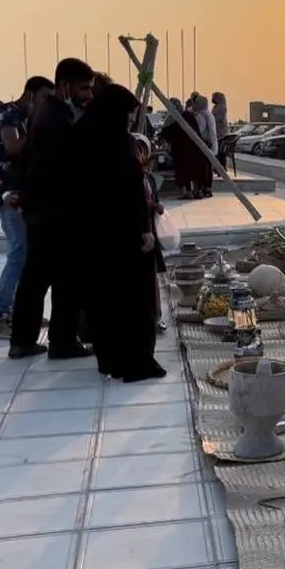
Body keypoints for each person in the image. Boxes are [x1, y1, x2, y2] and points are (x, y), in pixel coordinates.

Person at [8, 58, 95, 360]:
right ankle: (61, 341)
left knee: (38, 278)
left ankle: (24, 340)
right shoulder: (56, 120)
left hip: (44, 211)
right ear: (65, 85)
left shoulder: (48, 114)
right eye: (84, 88)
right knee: (65, 279)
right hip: (56, 212)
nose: (88, 94)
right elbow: (55, 169)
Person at [78, 84, 165, 383]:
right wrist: (145, 230)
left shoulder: (85, 134)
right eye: (127, 115)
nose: (129, 121)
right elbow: (128, 191)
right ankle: (134, 361)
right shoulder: (115, 142)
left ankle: (110, 357)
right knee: (129, 298)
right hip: (122, 232)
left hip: (95, 231)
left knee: (105, 296)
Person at [0, 75, 55, 339]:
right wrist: (39, 128)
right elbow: (13, 147)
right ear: (31, 95)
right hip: (8, 193)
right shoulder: (7, 113)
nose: (47, 103)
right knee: (17, 255)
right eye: (45, 97)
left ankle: (18, 311)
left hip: (21, 194)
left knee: (25, 256)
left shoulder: (22, 118)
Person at [132, 133, 168, 333]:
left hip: (148, 233)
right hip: (134, 231)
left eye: (141, 151)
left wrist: (155, 207)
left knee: (151, 278)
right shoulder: (128, 176)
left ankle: (155, 317)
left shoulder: (149, 179)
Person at [162, 97, 206, 199]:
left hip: (181, 151)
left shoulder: (172, 118)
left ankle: (187, 193)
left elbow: (166, 134)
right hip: (195, 148)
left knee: (183, 171)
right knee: (195, 170)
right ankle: (198, 191)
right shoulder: (188, 115)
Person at [192, 95, 218, 197]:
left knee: (203, 167)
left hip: (203, 144)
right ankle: (208, 188)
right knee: (208, 167)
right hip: (210, 144)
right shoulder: (208, 113)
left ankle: (203, 189)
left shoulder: (201, 115)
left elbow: (200, 130)